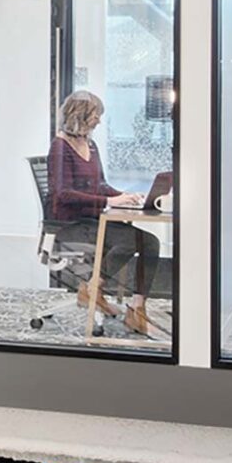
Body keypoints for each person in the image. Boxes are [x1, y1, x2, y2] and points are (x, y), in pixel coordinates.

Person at [46, 91, 160, 338]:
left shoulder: (91, 145)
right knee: (127, 241)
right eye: (95, 115)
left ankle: (137, 309)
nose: (99, 120)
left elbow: (100, 184)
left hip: (93, 219)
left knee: (150, 242)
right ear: (80, 115)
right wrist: (110, 200)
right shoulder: (59, 147)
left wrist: (126, 196)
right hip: (70, 224)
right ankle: (92, 289)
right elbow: (63, 194)